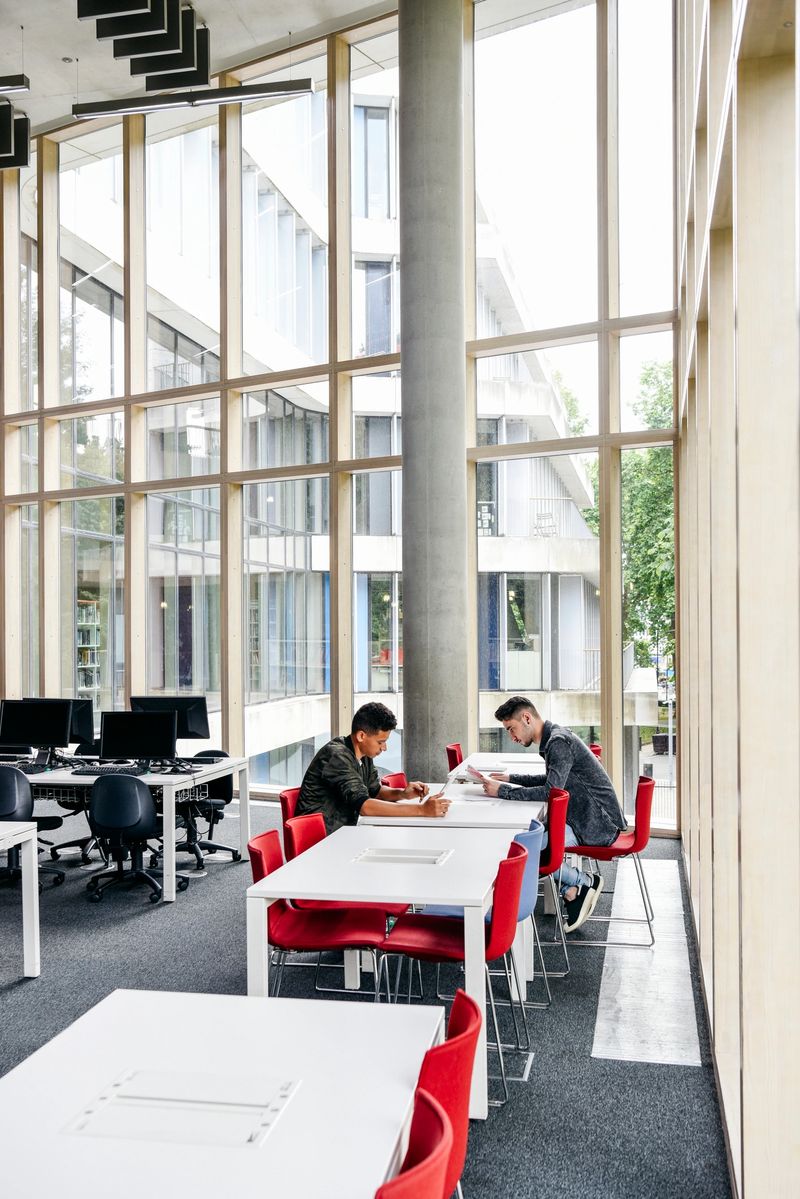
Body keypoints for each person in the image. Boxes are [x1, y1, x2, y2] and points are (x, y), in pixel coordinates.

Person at [479, 696, 626, 933]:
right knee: (525, 844)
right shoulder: (554, 738)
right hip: (584, 816)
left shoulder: (558, 742)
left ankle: (583, 882)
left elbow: (550, 791)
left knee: (526, 852)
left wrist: (503, 791)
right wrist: (510, 779)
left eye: (511, 729)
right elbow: (553, 782)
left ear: (526, 718)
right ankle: (571, 891)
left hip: (595, 824)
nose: (512, 737)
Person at [297, 701, 451, 834]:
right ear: (361, 736)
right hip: (320, 839)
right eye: (380, 742)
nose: (384, 748)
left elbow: (375, 792)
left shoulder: (363, 755)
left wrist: (403, 794)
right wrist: (422, 810)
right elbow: (365, 806)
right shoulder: (337, 756)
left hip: (343, 833)